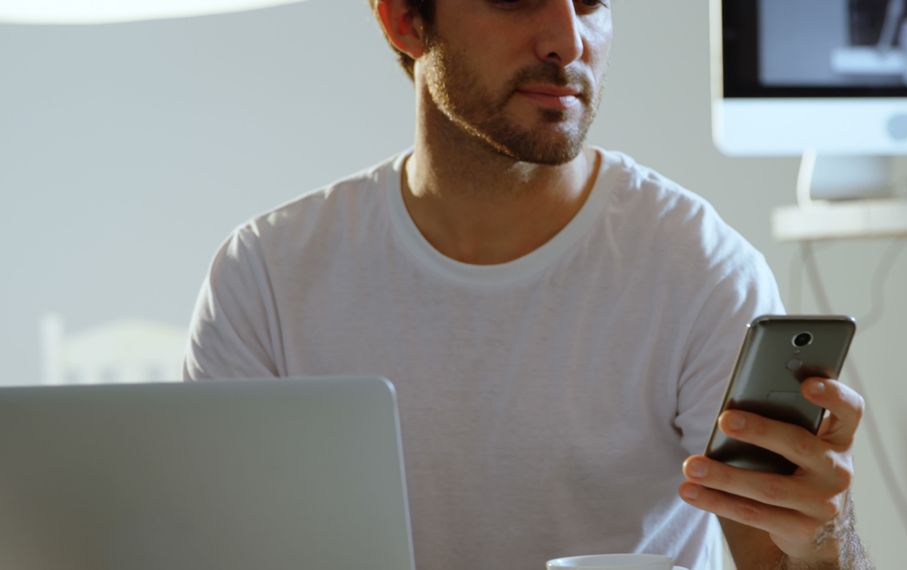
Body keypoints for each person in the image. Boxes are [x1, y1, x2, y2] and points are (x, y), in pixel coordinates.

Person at [183, 1, 872, 568]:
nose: (568, 39)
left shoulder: (700, 271)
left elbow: (778, 553)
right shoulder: (267, 277)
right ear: (402, 20)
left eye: (594, 3)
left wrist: (823, 539)